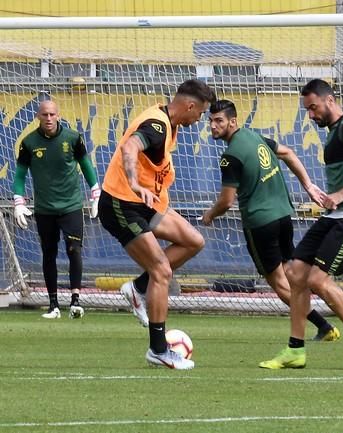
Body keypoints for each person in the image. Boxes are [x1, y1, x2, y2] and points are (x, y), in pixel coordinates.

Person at [259, 79, 343, 371]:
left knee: (316, 279)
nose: (311, 115)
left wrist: (342, 193)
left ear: (330, 100)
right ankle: (295, 349)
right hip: (335, 216)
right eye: (307, 110)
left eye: (313, 107)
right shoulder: (333, 134)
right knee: (295, 273)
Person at [98, 79, 216, 370]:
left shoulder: (169, 122)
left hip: (147, 204)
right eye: (200, 114)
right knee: (161, 270)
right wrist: (136, 184)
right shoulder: (157, 126)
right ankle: (158, 349)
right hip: (122, 204)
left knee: (193, 241)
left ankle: (138, 288)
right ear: (190, 106)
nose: (200, 119)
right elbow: (129, 147)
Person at [200, 99, 340, 341]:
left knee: (279, 283)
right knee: (292, 274)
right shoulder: (255, 138)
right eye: (210, 121)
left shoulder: (230, 157)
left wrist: (209, 215)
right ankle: (329, 316)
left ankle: (324, 326)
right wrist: (308, 186)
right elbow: (288, 152)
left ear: (233, 121)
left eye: (219, 121)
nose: (213, 126)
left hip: (260, 222)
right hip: (283, 215)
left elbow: (226, 201)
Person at [12, 100, 100, 320]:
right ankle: (53, 306)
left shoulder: (72, 138)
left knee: (74, 250)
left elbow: (86, 165)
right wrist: (18, 202)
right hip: (44, 209)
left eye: (52, 114)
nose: (48, 118)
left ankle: (75, 302)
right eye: (44, 115)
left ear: (58, 115)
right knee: (49, 254)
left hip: (71, 205)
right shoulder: (29, 143)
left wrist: (95, 192)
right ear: (38, 117)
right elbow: (20, 174)